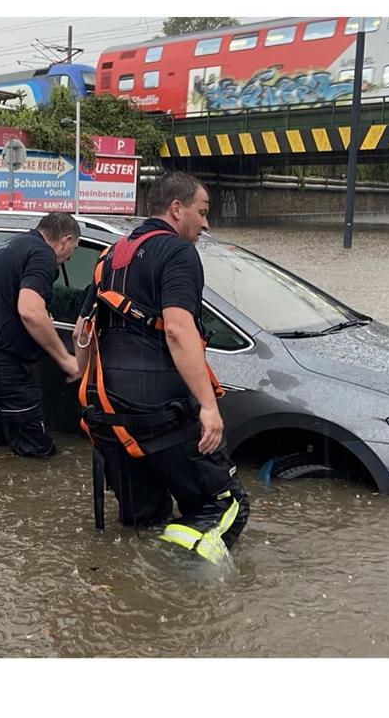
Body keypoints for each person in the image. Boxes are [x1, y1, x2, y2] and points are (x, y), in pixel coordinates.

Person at [74, 171, 249, 565]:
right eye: (202, 212)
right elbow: (177, 328)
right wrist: (207, 405)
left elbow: (81, 337)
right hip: (160, 408)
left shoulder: (108, 255)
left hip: (105, 414)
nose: (206, 223)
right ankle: (176, 587)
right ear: (176, 209)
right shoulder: (177, 253)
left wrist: (87, 389)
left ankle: (136, 597)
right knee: (225, 506)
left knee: (145, 519)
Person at [0, 212, 82, 458]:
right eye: (74, 250)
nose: (68, 259)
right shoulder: (42, 254)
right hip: (4, 366)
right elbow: (29, 310)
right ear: (66, 240)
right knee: (39, 455)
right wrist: (66, 359)